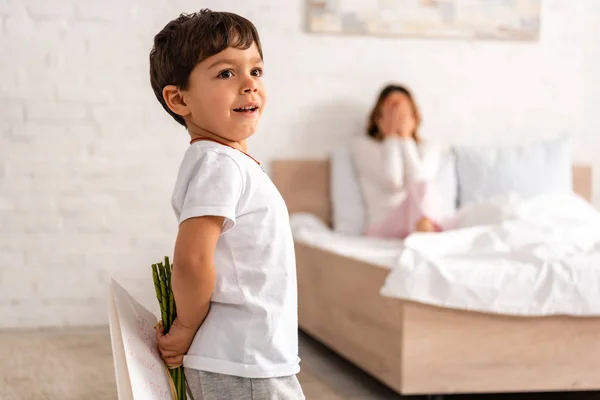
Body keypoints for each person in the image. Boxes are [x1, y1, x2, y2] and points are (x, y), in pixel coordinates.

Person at [149, 9, 304, 400]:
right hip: (242, 361)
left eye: (255, 70)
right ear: (178, 98)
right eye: (225, 73)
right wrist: (185, 328)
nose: (249, 85)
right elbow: (193, 259)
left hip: (248, 356)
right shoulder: (218, 164)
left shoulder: (224, 162)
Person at [351, 84, 444, 239]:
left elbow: (419, 180)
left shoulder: (429, 148)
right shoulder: (363, 146)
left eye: (403, 113)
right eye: (391, 112)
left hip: (422, 223)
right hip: (383, 226)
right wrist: (392, 137)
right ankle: (427, 240)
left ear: (414, 118)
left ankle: (425, 236)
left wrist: (405, 138)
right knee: (423, 186)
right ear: (378, 119)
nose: (397, 117)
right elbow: (393, 182)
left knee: (425, 185)